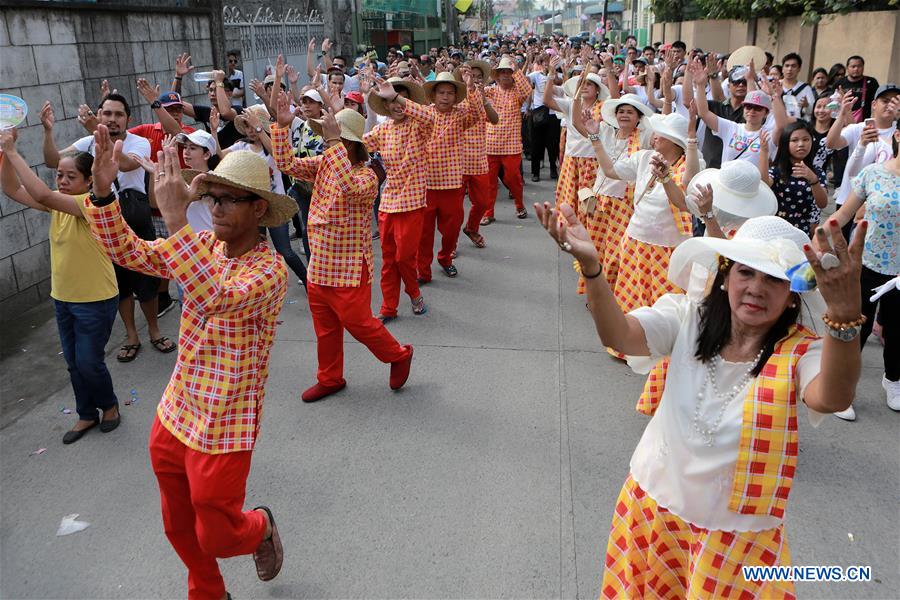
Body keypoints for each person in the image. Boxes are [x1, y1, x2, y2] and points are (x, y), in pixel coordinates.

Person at [536, 198, 864, 597]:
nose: (757, 289)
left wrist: (845, 319)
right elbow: (619, 336)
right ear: (726, 277)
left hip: (733, 541)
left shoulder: (802, 351)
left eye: (775, 280)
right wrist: (593, 269)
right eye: (746, 272)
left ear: (792, 295)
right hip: (651, 510)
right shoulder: (687, 317)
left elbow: (830, 397)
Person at [82, 126, 294, 598]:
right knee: (177, 526)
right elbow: (130, 252)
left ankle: (259, 526)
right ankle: (209, 592)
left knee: (215, 535)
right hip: (176, 410)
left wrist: (177, 218)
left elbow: (213, 296)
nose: (214, 207)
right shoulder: (201, 246)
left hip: (225, 423)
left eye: (228, 199)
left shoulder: (270, 271)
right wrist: (101, 194)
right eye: (211, 197)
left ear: (259, 208)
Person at [272, 102, 415, 402]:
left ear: (348, 143)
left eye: (332, 136)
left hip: (349, 266)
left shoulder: (367, 177)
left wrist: (334, 142)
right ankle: (330, 377)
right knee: (326, 329)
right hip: (320, 265)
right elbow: (287, 165)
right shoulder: (326, 161)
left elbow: (348, 186)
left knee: (359, 324)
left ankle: (398, 355)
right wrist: (281, 127)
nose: (325, 140)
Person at [0, 132, 120, 445]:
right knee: (73, 362)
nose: (62, 181)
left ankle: (108, 405)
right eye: (59, 175)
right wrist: (4, 154)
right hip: (63, 299)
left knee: (88, 361)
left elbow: (40, 194)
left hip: (96, 299)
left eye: (71, 176)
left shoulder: (89, 204)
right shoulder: (58, 205)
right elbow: (12, 189)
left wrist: (13, 150)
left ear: (89, 181)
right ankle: (85, 413)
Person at [41, 95, 175, 362]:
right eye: (107, 114)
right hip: (103, 218)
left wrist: (97, 132)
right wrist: (48, 132)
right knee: (120, 285)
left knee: (146, 283)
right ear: (99, 115)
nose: (112, 120)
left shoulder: (139, 143)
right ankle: (131, 335)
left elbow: (125, 164)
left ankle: (154, 330)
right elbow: (52, 160)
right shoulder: (86, 143)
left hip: (136, 217)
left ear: (128, 118)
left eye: (118, 114)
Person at [575, 108, 703, 330]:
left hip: (667, 248)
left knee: (662, 304)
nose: (654, 136)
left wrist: (691, 139)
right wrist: (595, 136)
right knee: (631, 299)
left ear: (674, 142)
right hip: (635, 240)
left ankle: (659, 351)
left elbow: (684, 197)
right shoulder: (645, 157)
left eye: (660, 134)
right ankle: (629, 347)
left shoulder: (686, 165)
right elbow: (610, 170)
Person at [828, 125, 900, 418]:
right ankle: (841, 390)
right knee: (856, 329)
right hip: (867, 264)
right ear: (898, 135)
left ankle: (893, 380)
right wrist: (823, 236)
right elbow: (844, 213)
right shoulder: (873, 173)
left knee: (898, 332)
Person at [363, 76, 435, 321]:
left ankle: (414, 294)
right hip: (388, 203)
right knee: (388, 260)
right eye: (391, 101)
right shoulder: (382, 129)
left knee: (404, 257)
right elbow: (359, 146)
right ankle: (388, 307)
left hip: (413, 203)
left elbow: (430, 117)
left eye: (400, 98)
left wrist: (394, 95)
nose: (397, 105)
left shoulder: (419, 125)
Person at [218, 104, 308, 288]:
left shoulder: (274, 144)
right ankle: (262, 289)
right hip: (252, 209)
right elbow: (218, 155)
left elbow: (279, 155)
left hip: (274, 205)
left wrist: (260, 129)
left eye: (254, 125)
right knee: (255, 253)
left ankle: (309, 284)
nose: (251, 130)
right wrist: (213, 131)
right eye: (248, 126)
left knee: (285, 251)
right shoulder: (241, 146)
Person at [575, 90, 653, 292]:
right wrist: (591, 129)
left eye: (630, 112)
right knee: (596, 247)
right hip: (599, 200)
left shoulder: (644, 139)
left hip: (623, 204)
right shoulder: (606, 131)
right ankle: (594, 289)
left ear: (638, 118)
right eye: (621, 111)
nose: (625, 115)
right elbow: (580, 125)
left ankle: (609, 291)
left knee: (616, 250)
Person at [417, 70, 483, 281]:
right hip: (426, 185)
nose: (445, 97)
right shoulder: (424, 114)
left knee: (451, 230)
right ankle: (423, 271)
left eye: (449, 93)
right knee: (424, 234)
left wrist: (470, 87)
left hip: (452, 184)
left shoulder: (460, 115)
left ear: (456, 97)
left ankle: (446, 259)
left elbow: (476, 113)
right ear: (433, 95)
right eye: (441, 92)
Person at [826, 85, 899, 240]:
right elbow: (831, 143)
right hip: (849, 199)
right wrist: (842, 114)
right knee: (843, 249)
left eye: (894, 102)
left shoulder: (897, 134)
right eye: (885, 101)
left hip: (880, 204)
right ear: (874, 104)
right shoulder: (858, 128)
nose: (889, 105)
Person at [695, 61, 790, 168]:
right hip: (726, 182)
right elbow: (703, 113)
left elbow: (782, 125)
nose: (752, 111)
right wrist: (700, 85)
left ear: (766, 112)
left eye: (758, 108)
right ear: (744, 108)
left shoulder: (767, 134)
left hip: (753, 184)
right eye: (748, 106)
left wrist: (773, 94)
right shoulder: (730, 127)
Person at [481, 55, 533, 224]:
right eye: (501, 72)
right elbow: (474, 93)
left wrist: (517, 69)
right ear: (497, 75)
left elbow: (527, 91)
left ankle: (519, 205)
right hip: (491, 145)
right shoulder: (491, 91)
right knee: (489, 182)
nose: (505, 75)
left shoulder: (517, 93)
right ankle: (488, 213)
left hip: (511, 145)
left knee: (513, 179)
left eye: (508, 72)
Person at [458, 60, 500, 249]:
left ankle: (471, 227)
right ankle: (451, 245)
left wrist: (482, 98)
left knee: (483, 202)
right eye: (470, 76)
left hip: (478, 160)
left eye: (478, 77)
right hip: (456, 163)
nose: (474, 80)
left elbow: (495, 119)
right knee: (454, 210)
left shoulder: (482, 99)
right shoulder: (456, 99)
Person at [759, 123, 828, 236]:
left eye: (806, 139)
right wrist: (764, 152)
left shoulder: (816, 172)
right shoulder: (777, 170)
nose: (801, 144)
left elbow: (822, 203)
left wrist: (813, 180)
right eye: (794, 140)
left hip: (801, 231)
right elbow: (764, 184)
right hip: (775, 230)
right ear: (786, 143)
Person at [528, 54, 561, 182]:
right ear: (541, 63)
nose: (548, 64)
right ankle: (535, 172)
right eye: (546, 62)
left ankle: (553, 169)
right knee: (536, 144)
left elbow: (562, 84)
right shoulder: (536, 75)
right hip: (539, 113)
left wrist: (558, 70)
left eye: (550, 61)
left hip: (553, 114)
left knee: (553, 144)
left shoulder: (556, 76)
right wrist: (527, 63)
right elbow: (525, 81)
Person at [836, 56, 880, 122]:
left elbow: (877, 102)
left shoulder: (871, 82)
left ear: (863, 67)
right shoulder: (839, 83)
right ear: (847, 68)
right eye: (853, 66)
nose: (856, 69)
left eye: (859, 66)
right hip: (843, 121)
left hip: (863, 122)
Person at [780, 53, 816, 121]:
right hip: (776, 125)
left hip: (798, 126)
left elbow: (813, 111)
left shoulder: (806, 88)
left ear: (799, 69)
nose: (789, 69)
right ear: (782, 69)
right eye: (787, 66)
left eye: (793, 66)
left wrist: (807, 105)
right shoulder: (775, 85)